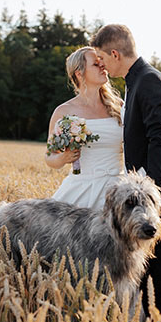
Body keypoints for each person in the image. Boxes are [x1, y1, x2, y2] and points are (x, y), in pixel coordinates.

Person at [89, 25, 161, 316]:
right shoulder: (136, 81)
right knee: (149, 273)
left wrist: (151, 197)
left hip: (157, 197)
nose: (102, 64)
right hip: (145, 196)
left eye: (102, 58)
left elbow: (160, 139)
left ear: (114, 53)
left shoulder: (149, 81)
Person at [45, 46, 125, 210]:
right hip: (81, 189)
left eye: (102, 62)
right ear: (79, 74)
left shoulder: (120, 107)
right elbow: (49, 157)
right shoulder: (63, 112)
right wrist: (63, 158)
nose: (103, 66)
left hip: (117, 190)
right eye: (96, 64)